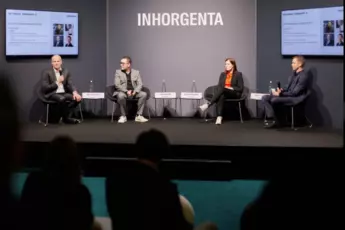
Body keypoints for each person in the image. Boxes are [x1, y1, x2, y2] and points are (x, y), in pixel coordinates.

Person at [261, 56, 309, 129]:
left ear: (300, 64)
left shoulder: (303, 76)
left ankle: (278, 122)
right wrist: (281, 90)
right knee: (265, 97)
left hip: (296, 98)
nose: (291, 64)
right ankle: (273, 118)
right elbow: (287, 87)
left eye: (293, 63)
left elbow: (295, 93)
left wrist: (280, 94)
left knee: (275, 100)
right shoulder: (293, 75)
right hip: (289, 95)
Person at [199, 58, 244, 125]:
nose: (226, 65)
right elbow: (219, 86)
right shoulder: (223, 74)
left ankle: (208, 104)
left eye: (228, 64)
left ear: (233, 65)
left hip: (234, 93)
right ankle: (219, 117)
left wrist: (231, 88)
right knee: (222, 95)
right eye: (225, 64)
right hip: (224, 92)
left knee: (222, 89)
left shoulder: (238, 74)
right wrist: (224, 88)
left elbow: (240, 88)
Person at [41, 55, 82, 124]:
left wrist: (75, 92)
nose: (56, 63)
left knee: (77, 98)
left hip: (63, 93)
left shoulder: (65, 71)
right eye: (54, 61)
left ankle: (63, 116)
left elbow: (70, 84)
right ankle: (66, 119)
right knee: (62, 99)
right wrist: (57, 82)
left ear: (61, 62)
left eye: (58, 61)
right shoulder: (47, 72)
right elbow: (45, 88)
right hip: (52, 93)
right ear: (52, 63)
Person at [113, 56, 148, 123]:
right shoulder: (118, 72)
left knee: (143, 94)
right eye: (120, 63)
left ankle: (139, 116)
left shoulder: (136, 72)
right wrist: (126, 91)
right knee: (120, 96)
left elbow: (140, 84)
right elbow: (117, 85)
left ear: (128, 64)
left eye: (123, 63)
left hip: (134, 92)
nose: (121, 65)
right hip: (123, 92)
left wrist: (135, 91)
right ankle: (123, 116)